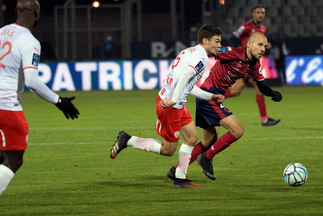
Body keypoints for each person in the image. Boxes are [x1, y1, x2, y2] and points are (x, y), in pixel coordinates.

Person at [109, 24, 224, 188]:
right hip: (170, 105)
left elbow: (188, 85)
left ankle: (180, 178)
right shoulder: (202, 58)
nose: (219, 45)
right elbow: (184, 77)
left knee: (191, 137)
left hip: (174, 102)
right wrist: (174, 100)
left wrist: (210, 96)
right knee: (167, 150)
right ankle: (128, 140)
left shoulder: (189, 51)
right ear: (205, 40)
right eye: (217, 41)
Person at [167, 32, 282, 181]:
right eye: (260, 45)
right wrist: (195, 55)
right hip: (209, 96)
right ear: (248, 44)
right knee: (238, 130)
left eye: (264, 46)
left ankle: (176, 170)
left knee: (209, 140)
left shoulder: (254, 65)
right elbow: (214, 50)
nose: (262, 49)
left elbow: (263, 86)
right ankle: (206, 158)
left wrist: (273, 93)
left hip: (211, 98)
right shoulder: (232, 53)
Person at [0, 0, 80, 195]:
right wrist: (58, 101)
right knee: (14, 159)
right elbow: (32, 82)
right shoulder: (29, 41)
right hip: (6, 105)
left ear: (16, 11)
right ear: (36, 13)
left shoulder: (1, 31)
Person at [227, 5, 280, 127]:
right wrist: (240, 53)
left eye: (262, 13)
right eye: (258, 12)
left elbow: (259, 44)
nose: (260, 15)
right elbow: (232, 38)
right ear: (253, 14)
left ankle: (211, 99)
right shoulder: (246, 26)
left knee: (236, 91)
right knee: (260, 88)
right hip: (246, 63)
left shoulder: (263, 29)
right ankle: (265, 119)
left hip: (252, 63)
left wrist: (266, 45)